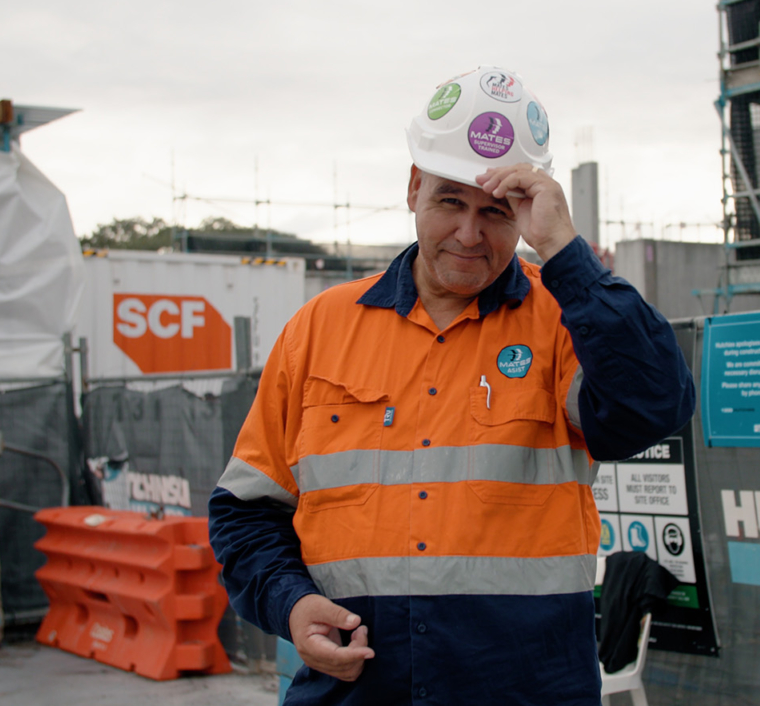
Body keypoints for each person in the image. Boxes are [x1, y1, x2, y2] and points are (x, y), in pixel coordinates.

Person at [208, 65, 695, 706]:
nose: (470, 235)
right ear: (413, 187)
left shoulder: (560, 319)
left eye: (496, 211)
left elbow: (655, 405)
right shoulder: (318, 329)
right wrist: (292, 606)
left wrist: (562, 248)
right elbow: (246, 511)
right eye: (450, 202)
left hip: (525, 691)